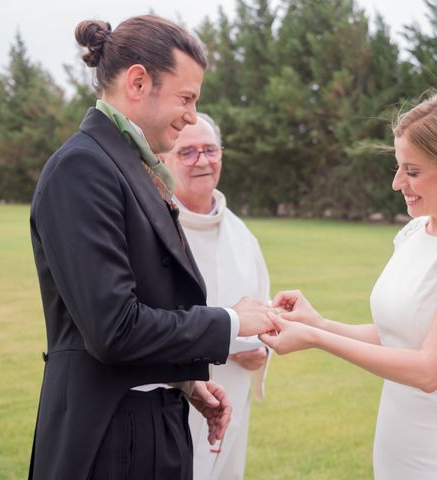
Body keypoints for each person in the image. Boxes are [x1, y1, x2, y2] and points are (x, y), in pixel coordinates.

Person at [28, 15, 272, 480]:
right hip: (109, 439)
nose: (192, 116)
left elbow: (150, 300)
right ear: (138, 81)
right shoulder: (82, 168)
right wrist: (234, 321)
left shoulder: (130, 165)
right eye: (186, 98)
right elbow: (114, 328)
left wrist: (181, 380)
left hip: (154, 424)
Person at [261, 89, 437, 479]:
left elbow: (430, 370)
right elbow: (397, 337)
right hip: (400, 444)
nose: (398, 183)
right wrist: (319, 323)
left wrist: (315, 341)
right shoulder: (415, 232)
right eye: (398, 168)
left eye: (413, 171)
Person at [160, 113, 271, 480]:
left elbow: (263, 310)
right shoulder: (155, 227)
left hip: (232, 395)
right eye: (187, 152)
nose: (202, 161)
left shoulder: (242, 235)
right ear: (164, 160)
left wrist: (262, 350)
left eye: (210, 150)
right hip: (170, 398)